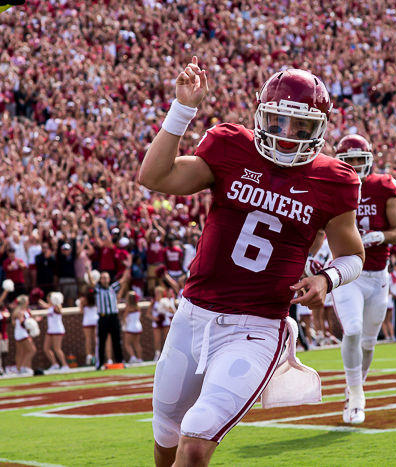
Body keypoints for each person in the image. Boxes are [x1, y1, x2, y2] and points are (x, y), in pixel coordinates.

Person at [138, 60, 363, 466]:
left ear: (319, 129)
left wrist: (328, 279)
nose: (286, 136)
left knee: (195, 441)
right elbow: (156, 178)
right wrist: (182, 109)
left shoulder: (334, 179)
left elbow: (353, 256)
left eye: (300, 127)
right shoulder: (231, 146)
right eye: (277, 122)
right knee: (166, 436)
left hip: (256, 328)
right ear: (261, 116)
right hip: (193, 316)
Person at [331, 133, 396, 424]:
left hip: (378, 275)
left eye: (357, 160)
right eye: (347, 159)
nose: (352, 164)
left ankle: (354, 390)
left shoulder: (382, 185)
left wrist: (382, 235)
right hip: (349, 271)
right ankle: (356, 395)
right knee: (351, 330)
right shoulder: (332, 184)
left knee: (368, 342)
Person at [87, 269, 131, 369]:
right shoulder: (98, 289)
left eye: (106, 277)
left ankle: (120, 361)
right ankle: (99, 363)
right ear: (100, 279)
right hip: (103, 317)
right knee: (101, 341)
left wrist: (127, 267)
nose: (104, 280)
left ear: (109, 279)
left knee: (117, 340)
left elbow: (123, 280)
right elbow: (91, 282)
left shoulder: (112, 288)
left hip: (113, 317)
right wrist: (88, 270)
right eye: (102, 278)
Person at [39, 292, 69, 371]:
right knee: (46, 348)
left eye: (49, 298)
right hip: (51, 330)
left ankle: (65, 365)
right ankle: (54, 364)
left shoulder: (56, 306)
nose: (48, 299)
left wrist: (57, 302)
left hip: (57, 329)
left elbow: (59, 310)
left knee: (57, 348)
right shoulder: (50, 307)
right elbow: (43, 305)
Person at [11, 295, 36, 376]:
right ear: (24, 302)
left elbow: (14, 323)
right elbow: (22, 323)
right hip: (22, 333)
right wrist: (30, 323)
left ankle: (19, 369)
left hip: (19, 333)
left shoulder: (24, 311)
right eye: (27, 301)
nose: (28, 302)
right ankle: (23, 367)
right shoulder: (20, 312)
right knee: (32, 350)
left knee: (21, 352)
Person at [150, 285, 176, 361]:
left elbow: (172, 311)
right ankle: (157, 355)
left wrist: (166, 310)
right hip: (156, 322)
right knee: (157, 340)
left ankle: (168, 354)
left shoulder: (165, 300)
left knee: (167, 338)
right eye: (155, 293)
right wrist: (154, 318)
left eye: (158, 292)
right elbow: (148, 314)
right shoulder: (153, 302)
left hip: (165, 321)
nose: (156, 294)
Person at [121, 291, 143, 363]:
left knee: (127, 344)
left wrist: (124, 325)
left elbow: (124, 318)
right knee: (137, 343)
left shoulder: (128, 308)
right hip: (138, 326)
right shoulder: (138, 307)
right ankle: (139, 358)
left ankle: (133, 357)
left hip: (130, 327)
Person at [79, 287, 99, 366]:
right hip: (95, 319)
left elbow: (81, 311)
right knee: (96, 338)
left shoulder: (83, 300)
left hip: (87, 320)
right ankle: (97, 354)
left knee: (88, 339)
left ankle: (89, 356)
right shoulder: (97, 299)